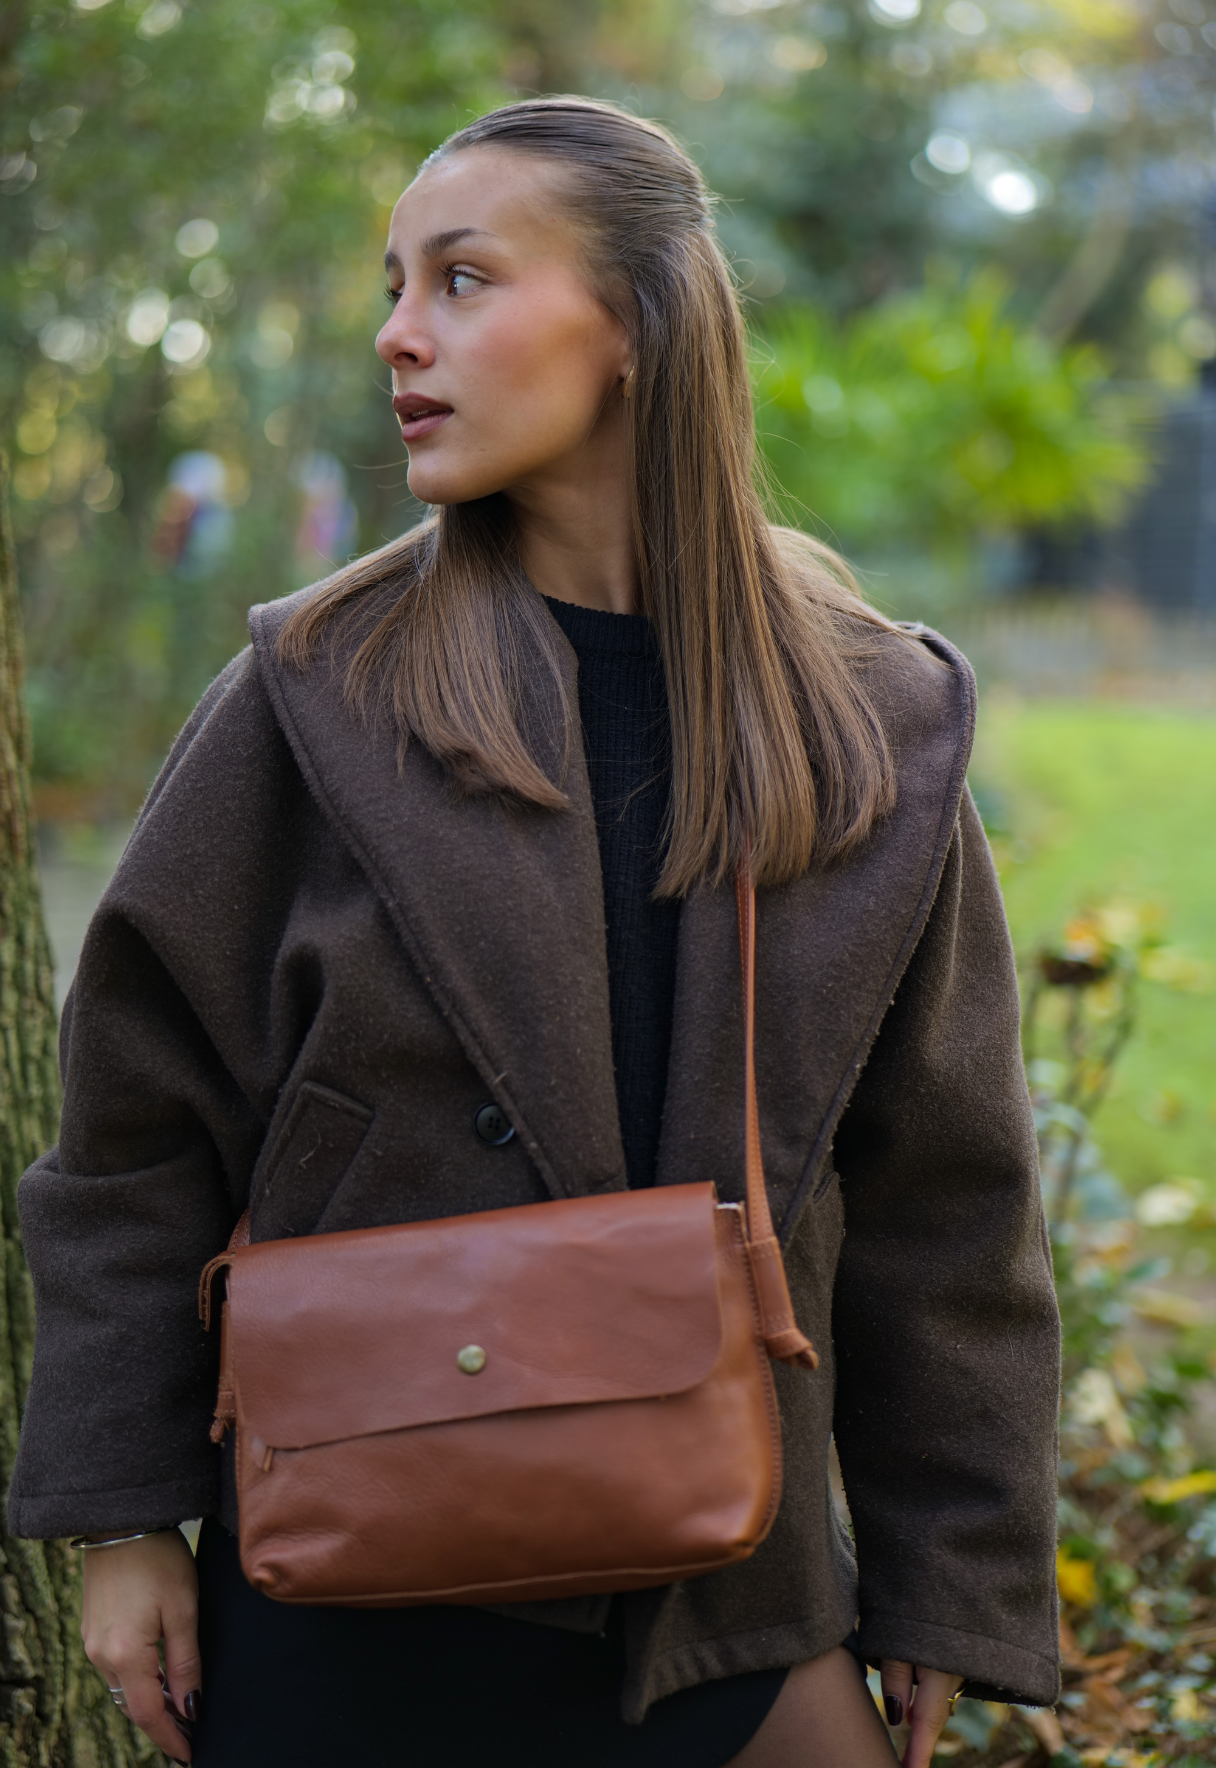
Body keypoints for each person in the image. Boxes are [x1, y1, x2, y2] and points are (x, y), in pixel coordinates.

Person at [9, 98, 1061, 1768]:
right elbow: (136, 1142)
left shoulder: (869, 716)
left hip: (725, 1589)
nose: (396, 334)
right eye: (393, 283)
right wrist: (124, 1517)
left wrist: (954, 1581)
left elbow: (951, 1200)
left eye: (464, 280)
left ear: (635, 325)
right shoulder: (312, 687)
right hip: (358, 1575)